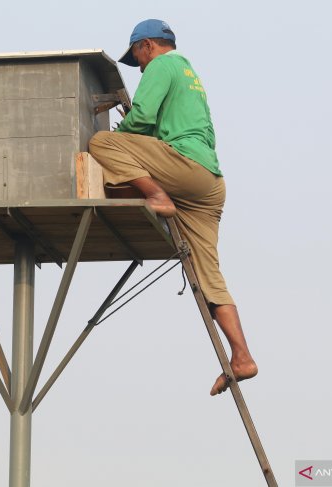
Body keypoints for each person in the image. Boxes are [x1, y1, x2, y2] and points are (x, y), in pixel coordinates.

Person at [88, 19, 258, 396]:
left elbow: (142, 118)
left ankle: (157, 195)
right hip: (209, 184)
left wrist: (121, 132)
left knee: (102, 144)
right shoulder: (189, 73)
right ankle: (242, 357)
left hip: (184, 168)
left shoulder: (162, 65)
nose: (141, 68)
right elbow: (157, 127)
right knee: (208, 275)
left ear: (146, 46)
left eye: (138, 59)